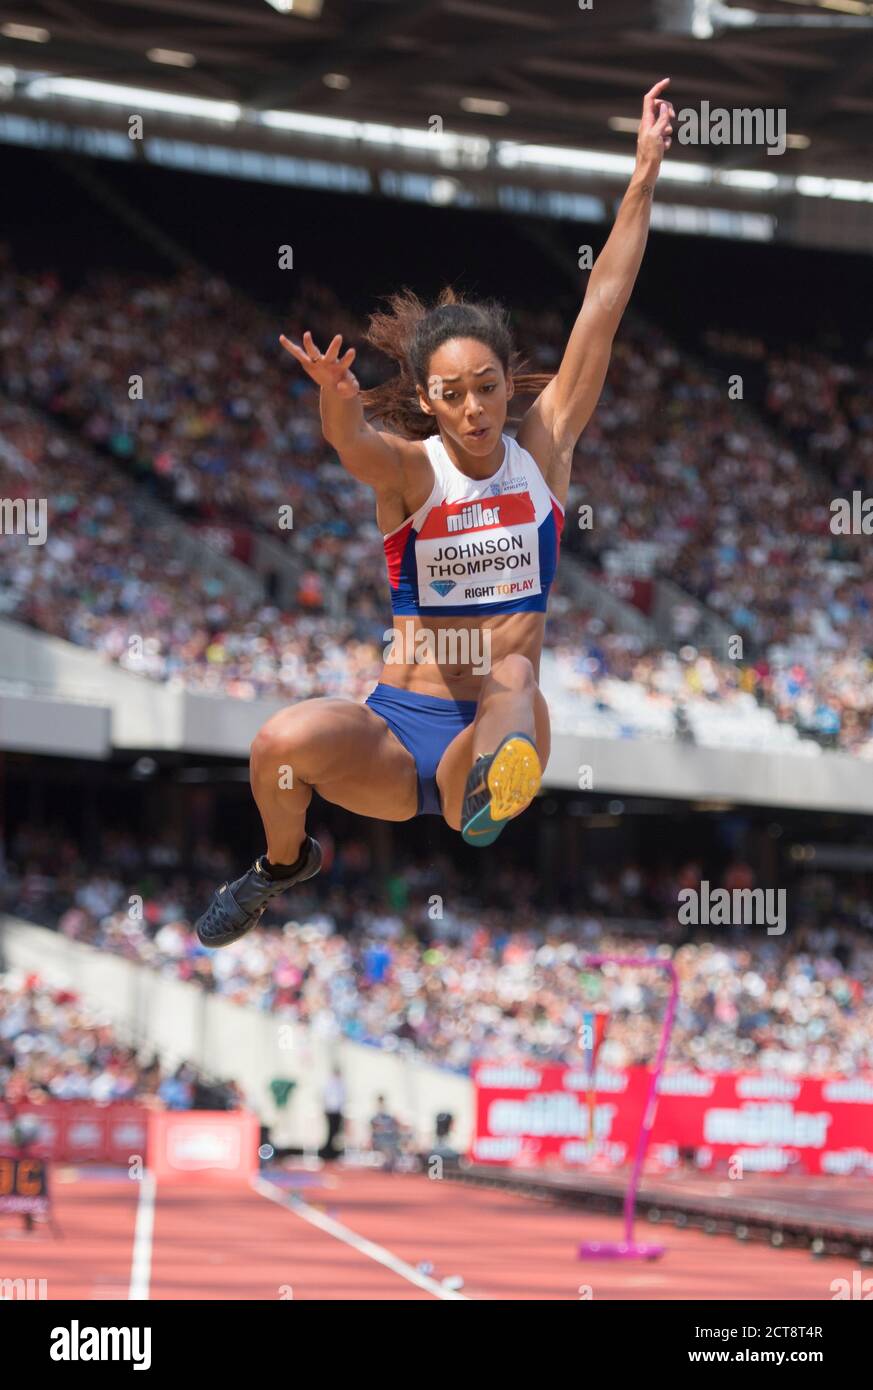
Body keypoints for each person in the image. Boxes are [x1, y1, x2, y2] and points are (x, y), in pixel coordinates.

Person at [195, 82, 674, 949]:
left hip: (495, 727)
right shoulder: (412, 474)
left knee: (516, 677)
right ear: (428, 399)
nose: (477, 408)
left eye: (489, 387)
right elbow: (352, 447)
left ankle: (492, 791)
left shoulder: (545, 452)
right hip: (392, 729)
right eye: (454, 395)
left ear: (506, 383)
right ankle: (281, 864)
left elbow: (600, 310)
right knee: (279, 741)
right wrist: (337, 400)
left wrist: (640, 175)